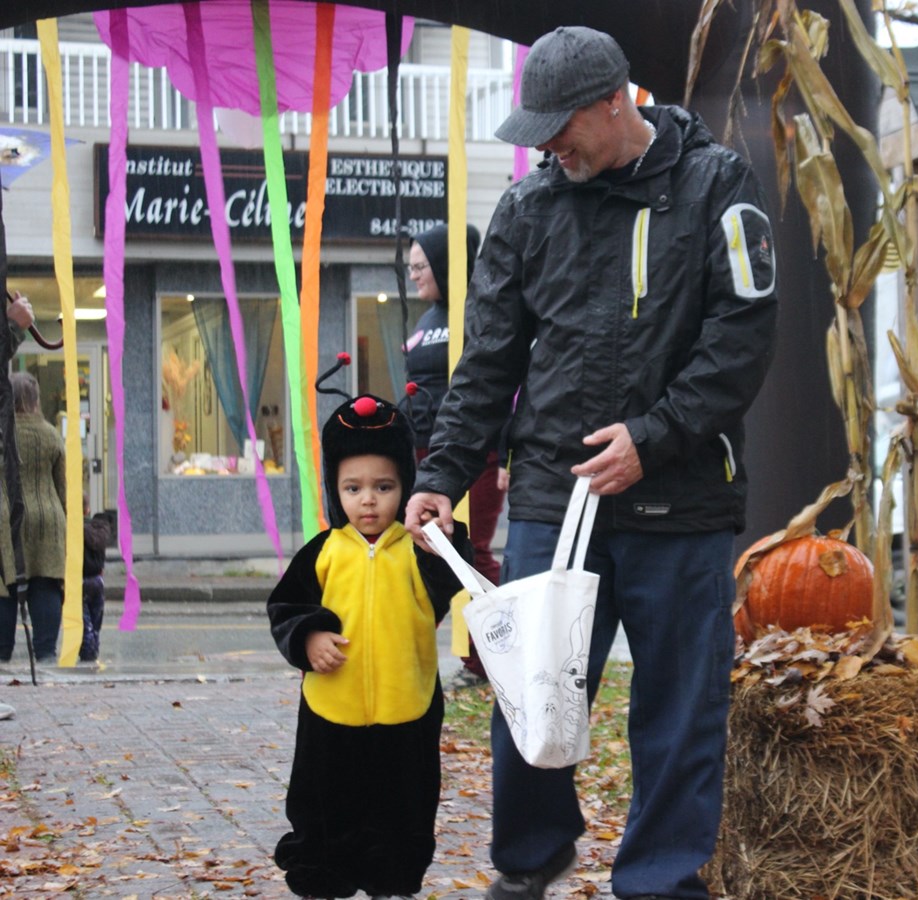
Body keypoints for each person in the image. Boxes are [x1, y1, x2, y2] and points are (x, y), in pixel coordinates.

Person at [405, 26, 777, 900]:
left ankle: (660, 879)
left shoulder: (717, 185)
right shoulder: (529, 209)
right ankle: (532, 859)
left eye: (558, 125)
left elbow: (742, 340)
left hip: (681, 499)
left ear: (617, 99)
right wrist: (440, 476)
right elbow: (488, 358)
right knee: (529, 694)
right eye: (533, 129)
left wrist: (654, 438)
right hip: (549, 497)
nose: (545, 145)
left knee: (680, 713)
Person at [267, 388, 474, 899]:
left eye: (384, 486)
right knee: (325, 808)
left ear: (405, 486)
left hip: (407, 712)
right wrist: (308, 635)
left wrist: (439, 536)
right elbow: (285, 608)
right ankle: (324, 877)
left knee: (402, 814)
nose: (368, 499)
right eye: (353, 487)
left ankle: (393, 881)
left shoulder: (419, 549)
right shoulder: (323, 552)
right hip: (330, 714)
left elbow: (457, 571)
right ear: (333, 490)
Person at [405, 223, 505, 689]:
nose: (413, 276)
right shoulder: (427, 319)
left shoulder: (478, 312)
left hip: (475, 453)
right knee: (429, 553)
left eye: (421, 266)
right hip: (427, 456)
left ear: (446, 263)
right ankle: (423, 653)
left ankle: (492, 660)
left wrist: (506, 454)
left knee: (472, 551)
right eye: (409, 268)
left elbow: (499, 384)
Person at [0, 370, 65, 665]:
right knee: (46, 581)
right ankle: (46, 652)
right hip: (47, 519)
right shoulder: (51, 434)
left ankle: (2, 652)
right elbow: (62, 484)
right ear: (36, 400)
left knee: (4, 585)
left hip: (6, 519)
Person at [79, 515, 111, 662]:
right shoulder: (100, 530)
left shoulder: (75, 527)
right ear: (87, 510)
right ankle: (94, 650)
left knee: (84, 621)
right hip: (98, 580)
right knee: (96, 619)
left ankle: (87, 652)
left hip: (81, 580)